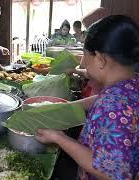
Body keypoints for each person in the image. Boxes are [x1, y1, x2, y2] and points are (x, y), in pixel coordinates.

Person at [35, 15, 139, 179]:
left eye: (84, 54)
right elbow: (102, 100)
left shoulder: (113, 106)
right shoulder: (131, 83)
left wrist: (59, 138)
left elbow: (111, 172)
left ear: (100, 59)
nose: (82, 62)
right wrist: (68, 106)